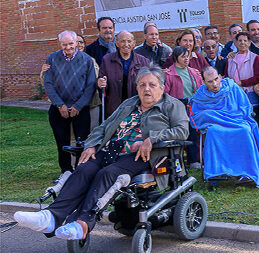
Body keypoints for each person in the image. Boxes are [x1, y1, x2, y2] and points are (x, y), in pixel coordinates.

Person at [14, 66, 188, 241]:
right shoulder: (129, 103)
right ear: (137, 88)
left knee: (108, 174)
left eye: (152, 84)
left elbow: (182, 131)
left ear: (162, 87)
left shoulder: (172, 105)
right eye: (142, 85)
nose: (146, 89)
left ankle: (83, 222)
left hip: (143, 155)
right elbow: (104, 127)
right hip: (111, 150)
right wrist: (91, 145)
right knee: (83, 169)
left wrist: (152, 139)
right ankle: (51, 217)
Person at [191, 67, 259, 187]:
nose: (215, 84)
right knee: (212, 132)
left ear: (220, 77)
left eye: (216, 79)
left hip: (237, 121)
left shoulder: (232, 87)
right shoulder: (200, 95)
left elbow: (245, 107)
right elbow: (197, 116)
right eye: (210, 81)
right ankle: (217, 172)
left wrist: (222, 116)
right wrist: (210, 116)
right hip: (215, 125)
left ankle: (246, 173)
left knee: (245, 130)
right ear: (204, 82)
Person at [43, 31, 98, 172]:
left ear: (76, 43)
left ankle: (80, 171)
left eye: (71, 44)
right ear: (60, 44)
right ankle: (66, 171)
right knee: (62, 142)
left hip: (80, 108)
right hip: (58, 108)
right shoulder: (52, 58)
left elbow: (91, 85)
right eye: (64, 44)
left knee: (81, 142)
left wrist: (78, 106)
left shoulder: (87, 60)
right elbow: (48, 83)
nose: (68, 47)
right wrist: (60, 105)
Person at [164, 46, 203, 168]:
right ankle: (178, 160)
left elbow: (201, 88)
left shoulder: (193, 72)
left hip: (193, 107)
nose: (186, 59)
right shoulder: (169, 74)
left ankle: (194, 160)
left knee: (193, 133)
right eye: (183, 57)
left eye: (188, 56)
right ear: (175, 58)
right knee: (179, 134)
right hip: (177, 108)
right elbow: (164, 93)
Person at [97, 31, 149, 119]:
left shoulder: (143, 61)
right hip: (114, 107)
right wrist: (100, 83)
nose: (126, 44)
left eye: (129, 41)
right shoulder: (107, 60)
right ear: (116, 43)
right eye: (122, 41)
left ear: (134, 43)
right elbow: (101, 82)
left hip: (137, 106)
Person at [226, 32, 259, 107]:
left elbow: (257, 77)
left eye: (245, 41)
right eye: (240, 40)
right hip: (233, 94)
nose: (242, 43)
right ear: (235, 43)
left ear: (249, 43)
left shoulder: (255, 57)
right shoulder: (230, 58)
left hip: (249, 93)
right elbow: (226, 76)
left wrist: (241, 83)